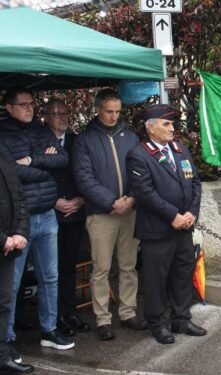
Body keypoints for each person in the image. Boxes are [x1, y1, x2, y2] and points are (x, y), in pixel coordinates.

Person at [0, 88, 74, 355]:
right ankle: (6, 340)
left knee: (50, 277)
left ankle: (49, 330)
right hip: (19, 221)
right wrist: (45, 166)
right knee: (12, 283)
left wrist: (32, 160)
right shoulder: (3, 133)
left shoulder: (40, 129)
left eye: (32, 104)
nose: (29, 109)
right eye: (23, 105)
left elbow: (62, 159)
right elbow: (9, 171)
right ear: (8, 107)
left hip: (47, 215)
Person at [126, 104, 205, 345]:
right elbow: (145, 193)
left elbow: (196, 183)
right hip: (158, 230)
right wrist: (173, 215)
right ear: (150, 128)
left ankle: (181, 318)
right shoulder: (139, 155)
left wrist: (191, 213)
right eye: (166, 124)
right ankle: (158, 323)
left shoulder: (180, 150)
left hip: (185, 227)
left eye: (172, 124)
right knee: (156, 280)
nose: (172, 128)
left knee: (183, 273)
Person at [74, 89, 146, 341]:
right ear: (97, 109)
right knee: (101, 268)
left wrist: (132, 198)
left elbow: (141, 170)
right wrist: (112, 202)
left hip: (130, 210)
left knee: (129, 266)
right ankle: (103, 319)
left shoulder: (130, 136)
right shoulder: (84, 140)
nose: (114, 116)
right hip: (101, 214)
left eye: (118, 111)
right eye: (109, 111)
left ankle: (128, 312)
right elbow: (84, 179)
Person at [42, 99, 90, 337]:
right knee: (50, 270)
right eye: (55, 113)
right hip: (50, 211)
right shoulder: (40, 141)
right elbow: (36, 176)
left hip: (75, 212)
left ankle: (70, 312)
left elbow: (86, 172)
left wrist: (81, 199)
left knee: (68, 266)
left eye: (64, 112)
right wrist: (55, 202)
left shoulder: (76, 141)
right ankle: (54, 317)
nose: (61, 117)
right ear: (46, 117)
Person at [0, 156, 34, 374]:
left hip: (8, 249)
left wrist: (20, 233)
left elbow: (20, 198)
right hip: (5, 243)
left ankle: (2, 357)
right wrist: (3, 239)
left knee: (3, 303)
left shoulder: (3, 158)